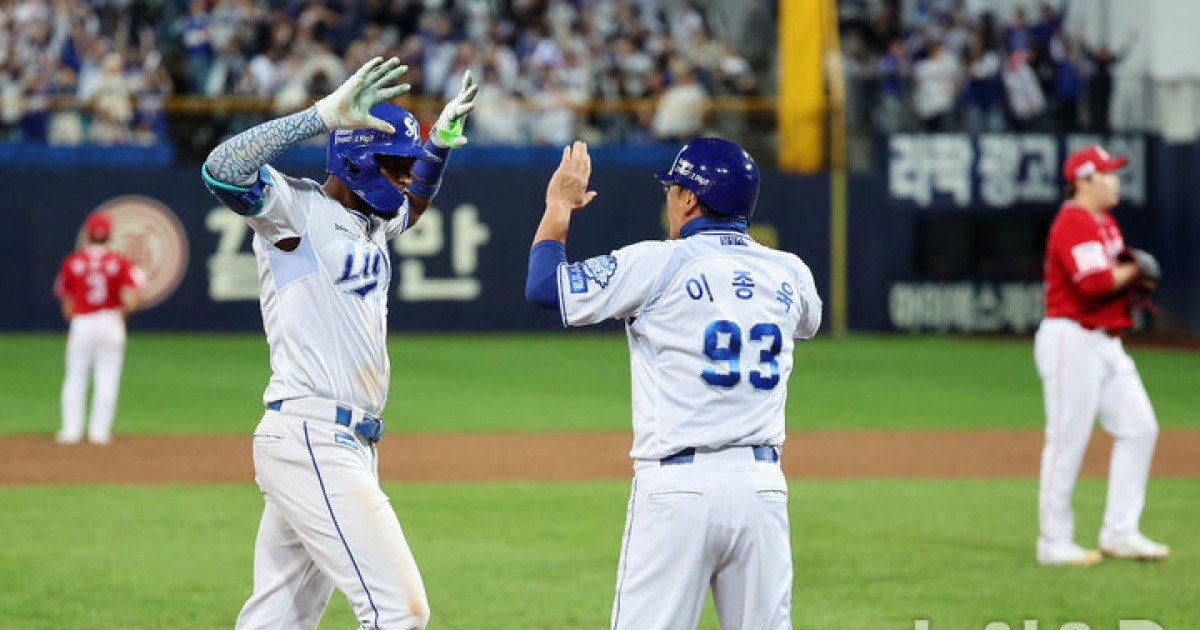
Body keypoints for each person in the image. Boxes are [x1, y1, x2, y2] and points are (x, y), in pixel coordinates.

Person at [201, 57, 477, 629]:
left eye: (406, 165)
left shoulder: (371, 223)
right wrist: (319, 115)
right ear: (354, 157)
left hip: (337, 443)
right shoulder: (294, 209)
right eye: (396, 164)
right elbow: (221, 169)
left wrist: (439, 147)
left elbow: (415, 204)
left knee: (277, 618)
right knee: (401, 612)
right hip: (313, 436)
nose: (405, 176)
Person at [525, 138, 822, 628]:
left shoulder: (657, 263)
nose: (669, 197)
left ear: (689, 199)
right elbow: (807, 323)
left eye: (673, 188)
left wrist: (559, 207)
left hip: (678, 489)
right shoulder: (791, 273)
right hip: (762, 489)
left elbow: (543, 288)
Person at [1034, 144, 1168, 566]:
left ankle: (1120, 531)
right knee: (1066, 441)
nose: (1115, 181)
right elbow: (1092, 283)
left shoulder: (1104, 222)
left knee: (1140, 427)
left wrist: (1128, 279)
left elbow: (1112, 285)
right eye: (1106, 174)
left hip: (1106, 341)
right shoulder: (1072, 221)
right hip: (1069, 339)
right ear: (1083, 181)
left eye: (1114, 173)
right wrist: (1133, 271)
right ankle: (1054, 541)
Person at [54, 212, 143, 445]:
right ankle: (99, 433)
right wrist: (120, 313)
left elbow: (66, 300)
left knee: (75, 377)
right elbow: (135, 294)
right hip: (110, 320)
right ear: (109, 235)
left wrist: (74, 323)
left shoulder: (74, 261)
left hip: (82, 320)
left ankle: (71, 431)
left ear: (88, 234)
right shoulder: (119, 261)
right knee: (107, 378)